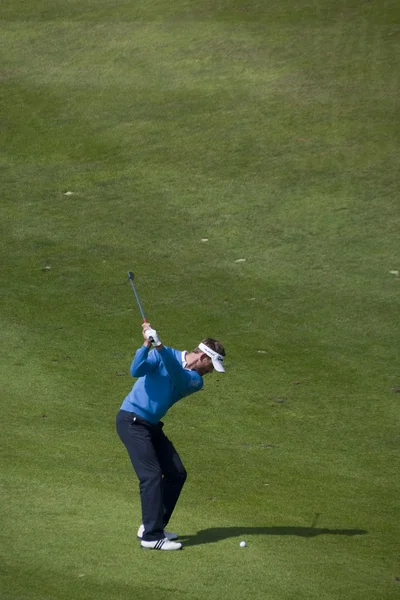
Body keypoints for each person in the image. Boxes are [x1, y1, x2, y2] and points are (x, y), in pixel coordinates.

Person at [116, 322, 226, 551]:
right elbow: (135, 371)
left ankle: (151, 525)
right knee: (152, 475)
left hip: (151, 425)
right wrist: (146, 345)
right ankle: (151, 537)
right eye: (211, 365)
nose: (211, 371)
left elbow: (177, 375)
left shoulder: (196, 381)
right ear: (203, 357)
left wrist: (160, 347)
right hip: (131, 421)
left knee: (176, 473)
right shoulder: (162, 354)